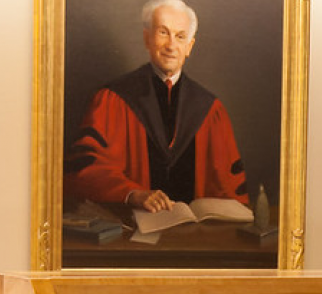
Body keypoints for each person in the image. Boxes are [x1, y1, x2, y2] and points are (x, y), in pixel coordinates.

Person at [63, 0, 249, 213]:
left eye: (180, 37)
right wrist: (132, 193)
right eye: (163, 33)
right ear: (147, 38)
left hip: (197, 238)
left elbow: (231, 189)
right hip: (130, 234)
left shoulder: (209, 109)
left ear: (189, 47)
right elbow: (85, 170)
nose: (171, 46)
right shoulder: (113, 99)